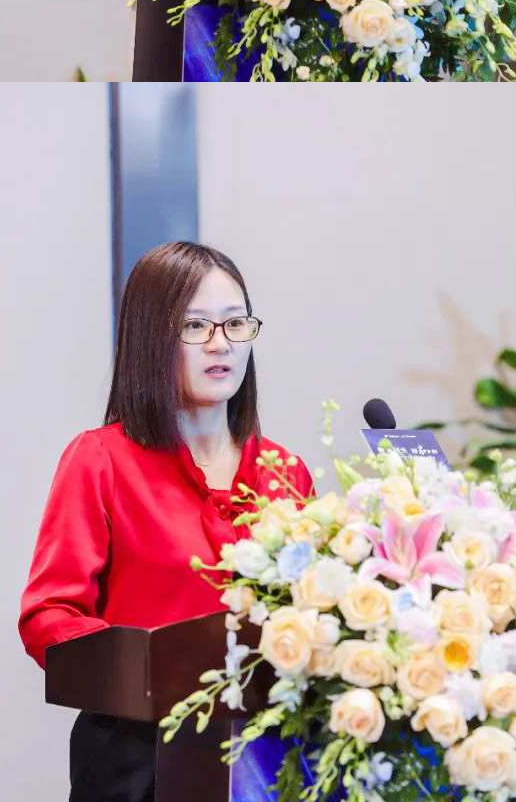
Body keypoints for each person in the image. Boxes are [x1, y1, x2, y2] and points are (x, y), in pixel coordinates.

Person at [18, 240, 313, 802]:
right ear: (152, 337)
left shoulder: (285, 472)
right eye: (195, 326)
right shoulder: (101, 460)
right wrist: (151, 670)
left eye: (235, 324)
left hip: (264, 756)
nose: (220, 343)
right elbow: (49, 615)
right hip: (138, 759)